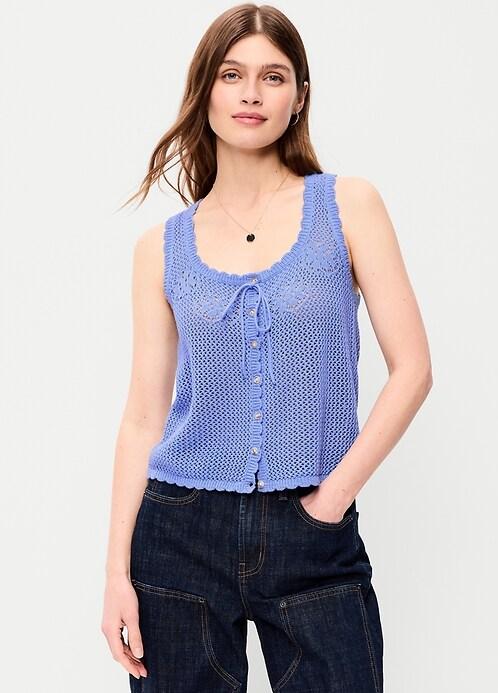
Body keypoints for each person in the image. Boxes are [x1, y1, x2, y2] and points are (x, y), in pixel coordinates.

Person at [101, 4, 433, 692]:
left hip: (313, 528)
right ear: (205, 90)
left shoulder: (348, 206)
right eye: (232, 75)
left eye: (272, 77)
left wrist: (331, 500)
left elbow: (413, 370)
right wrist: (115, 575)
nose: (251, 93)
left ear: (299, 96)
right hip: (178, 530)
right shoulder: (161, 248)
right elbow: (143, 417)